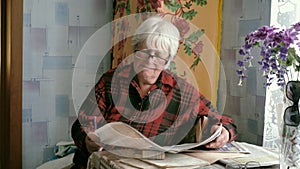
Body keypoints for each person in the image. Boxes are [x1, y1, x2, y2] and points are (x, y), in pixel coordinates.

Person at [71, 15, 237, 169]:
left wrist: (225, 132)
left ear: (168, 60)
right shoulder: (111, 81)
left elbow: (223, 120)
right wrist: (87, 141)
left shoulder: (180, 90)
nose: (150, 61)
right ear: (135, 51)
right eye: (145, 53)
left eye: (158, 56)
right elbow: (82, 124)